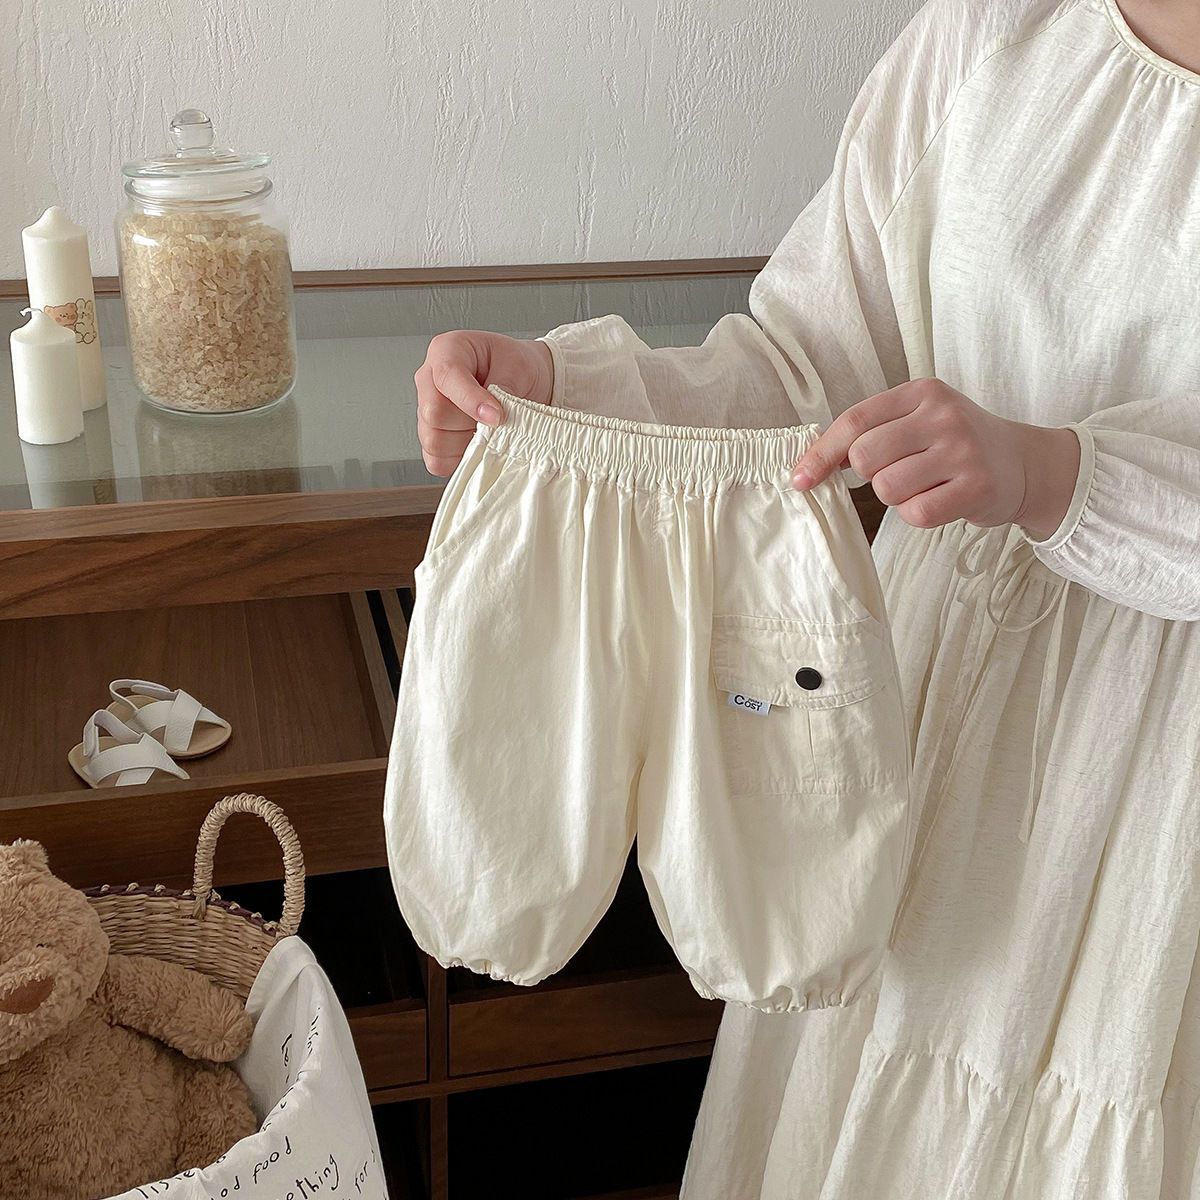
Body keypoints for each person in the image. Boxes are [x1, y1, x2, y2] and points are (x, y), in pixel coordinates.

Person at [412, 0, 1200, 1193]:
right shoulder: (996, 29)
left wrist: (1055, 473)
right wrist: (565, 388)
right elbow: (806, 370)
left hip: (1162, 791)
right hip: (931, 697)